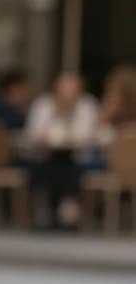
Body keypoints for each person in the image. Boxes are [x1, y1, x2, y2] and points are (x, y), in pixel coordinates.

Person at [24, 71, 101, 229]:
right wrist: (56, 114)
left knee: (68, 164)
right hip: (44, 156)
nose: (68, 96)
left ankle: (58, 210)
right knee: (55, 163)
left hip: (79, 158)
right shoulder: (44, 104)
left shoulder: (87, 105)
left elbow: (89, 134)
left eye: (73, 91)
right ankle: (66, 206)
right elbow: (33, 133)